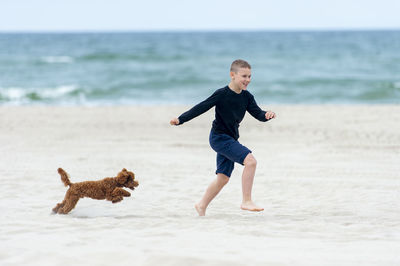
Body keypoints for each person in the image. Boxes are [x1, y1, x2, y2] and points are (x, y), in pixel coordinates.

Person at [170, 59, 276, 216]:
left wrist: (266, 115)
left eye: (250, 76)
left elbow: (258, 114)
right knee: (251, 161)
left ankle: (201, 205)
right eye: (244, 76)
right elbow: (201, 107)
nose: (247, 80)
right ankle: (246, 200)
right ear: (232, 75)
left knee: (223, 178)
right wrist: (180, 119)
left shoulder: (247, 97)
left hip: (231, 139)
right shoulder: (222, 94)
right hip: (219, 138)